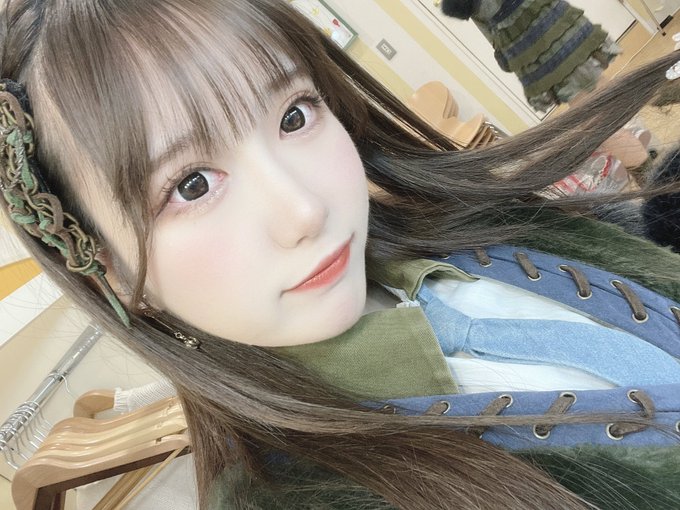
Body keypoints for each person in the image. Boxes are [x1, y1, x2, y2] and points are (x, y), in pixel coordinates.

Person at [0, 1, 679, 509]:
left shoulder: (458, 222)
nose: (305, 210)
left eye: (294, 115)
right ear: (110, 268)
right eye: (192, 185)